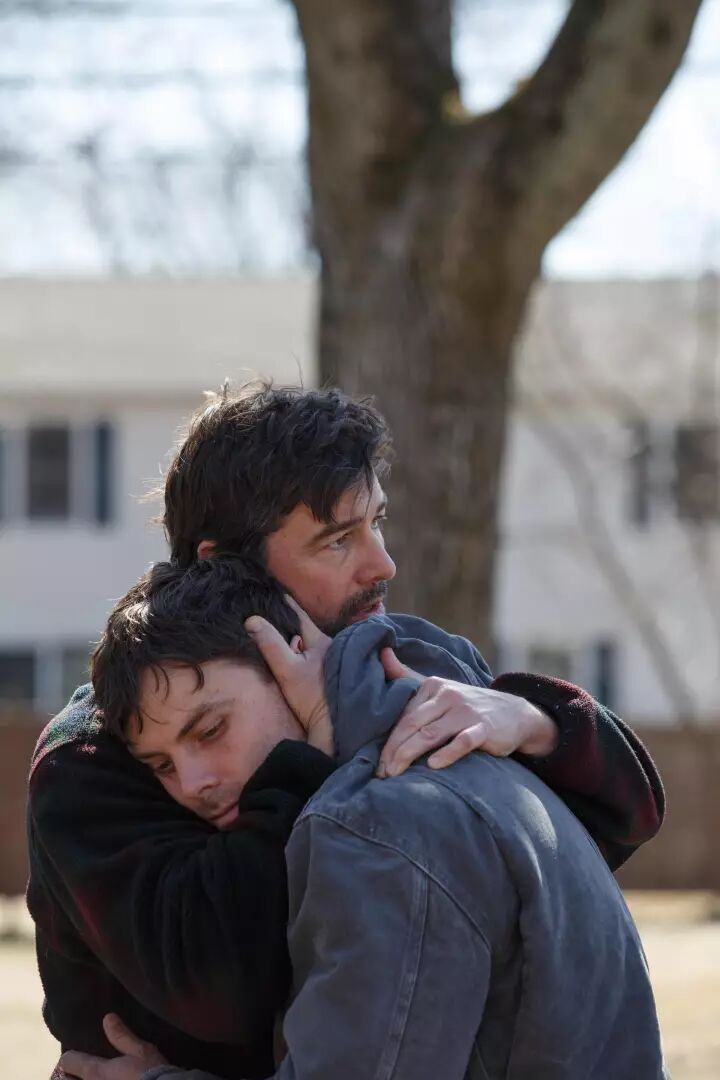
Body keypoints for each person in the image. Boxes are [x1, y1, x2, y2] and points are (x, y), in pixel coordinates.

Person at [27, 384, 663, 1078]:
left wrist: (534, 720)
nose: (381, 564)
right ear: (222, 564)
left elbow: (612, 828)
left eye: (375, 523)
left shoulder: (404, 665)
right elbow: (224, 989)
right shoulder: (95, 756)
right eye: (336, 540)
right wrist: (311, 755)